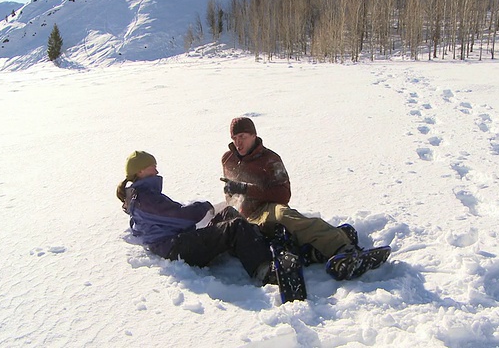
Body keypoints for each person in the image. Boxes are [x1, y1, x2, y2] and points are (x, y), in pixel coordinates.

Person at [220, 117, 381, 280]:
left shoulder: (270, 159)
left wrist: (246, 189)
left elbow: (283, 194)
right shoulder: (228, 159)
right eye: (235, 138)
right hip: (244, 218)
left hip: (268, 208)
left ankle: (342, 246)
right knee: (275, 242)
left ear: (254, 136)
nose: (238, 143)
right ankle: (319, 250)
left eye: (243, 137)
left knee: (285, 216)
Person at [117, 150, 275, 284]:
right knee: (234, 228)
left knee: (227, 213)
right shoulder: (145, 199)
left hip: (174, 241)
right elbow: (180, 216)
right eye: (153, 167)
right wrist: (204, 207)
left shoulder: (142, 196)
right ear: (140, 171)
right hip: (174, 248)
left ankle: (257, 242)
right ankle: (266, 271)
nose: (157, 172)